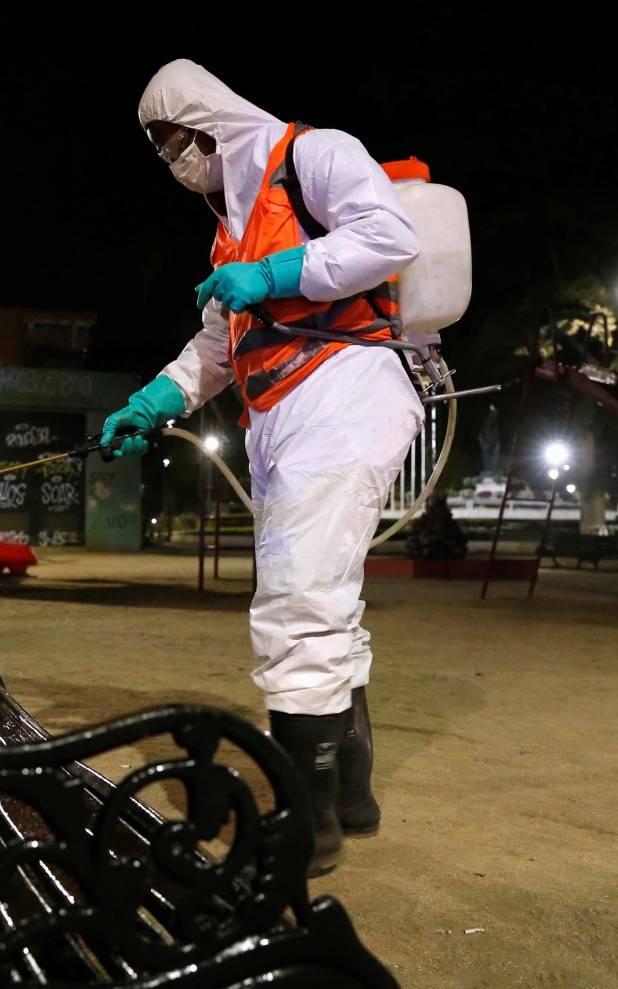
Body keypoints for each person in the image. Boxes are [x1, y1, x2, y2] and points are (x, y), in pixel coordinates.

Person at [103, 60, 424, 874]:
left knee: (297, 607)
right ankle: (348, 794)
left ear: (209, 123)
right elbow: (216, 349)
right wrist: (151, 403)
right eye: (160, 152)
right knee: (324, 608)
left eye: (174, 142)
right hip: (284, 417)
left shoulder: (312, 157)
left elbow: (390, 237)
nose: (174, 163)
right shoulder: (231, 229)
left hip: (344, 394)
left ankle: (304, 827)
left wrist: (275, 274)